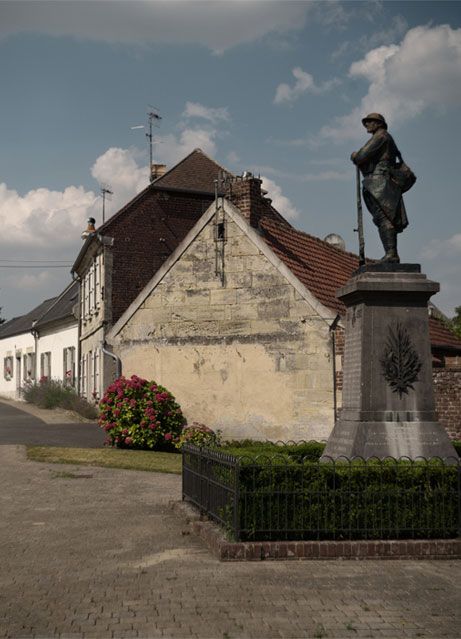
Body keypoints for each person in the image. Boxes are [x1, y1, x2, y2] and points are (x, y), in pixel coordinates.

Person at [351, 113, 408, 263]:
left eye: (369, 122)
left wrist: (354, 155)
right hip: (382, 181)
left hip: (379, 183)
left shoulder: (380, 136)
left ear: (378, 124)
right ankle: (391, 253)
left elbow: (361, 156)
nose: (367, 125)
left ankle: (391, 254)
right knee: (382, 218)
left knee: (383, 217)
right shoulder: (386, 137)